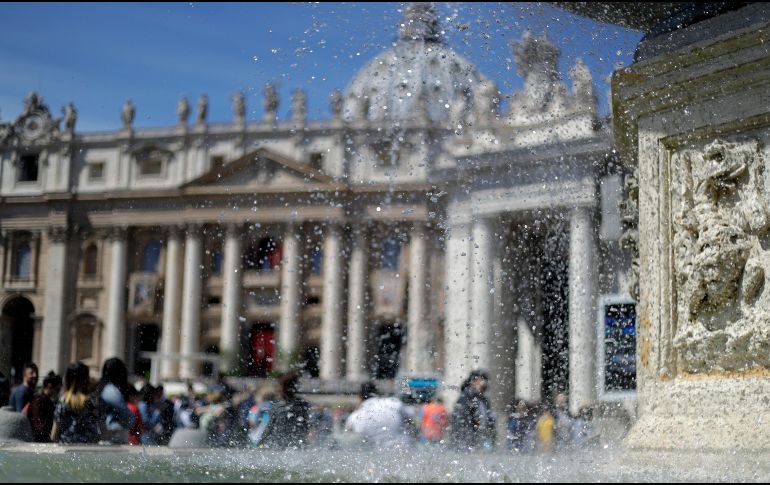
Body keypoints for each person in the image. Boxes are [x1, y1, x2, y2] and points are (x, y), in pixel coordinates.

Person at [345, 381, 417, 448]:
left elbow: (349, 438)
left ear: (360, 397)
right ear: (376, 392)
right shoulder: (393, 403)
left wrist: (358, 408)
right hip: (405, 448)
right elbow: (412, 416)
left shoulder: (355, 416)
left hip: (378, 454)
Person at [258, 372, 311, 449]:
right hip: (290, 446)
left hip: (281, 446)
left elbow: (268, 428)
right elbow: (305, 426)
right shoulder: (302, 404)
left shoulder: (277, 406)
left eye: (279, 386)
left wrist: (260, 443)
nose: (277, 389)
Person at [51, 362, 100, 444]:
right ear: (86, 379)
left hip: (66, 449)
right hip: (88, 450)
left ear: (67, 380)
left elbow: (54, 435)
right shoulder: (92, 402)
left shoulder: (62, 403)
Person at [448, 370, 497, 451]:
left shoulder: (484, 400)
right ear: (473, 382)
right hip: (466, 443)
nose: (485, 383)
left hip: (480, 441)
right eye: (481, 380)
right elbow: (460, 422)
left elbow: (486, 420)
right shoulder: (466, 398)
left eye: (485, 380)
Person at [95, 357, 135, 444]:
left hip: (108, 433)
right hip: (114, 433)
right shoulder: (111, 391)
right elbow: (126, 414)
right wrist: (132, 419)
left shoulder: (103, 389)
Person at [23, 371, 62, 442]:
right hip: (39, 443)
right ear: (49, 386)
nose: (58, 392)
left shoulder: (46, 400)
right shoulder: (39, 401)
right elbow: (38, 426)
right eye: (57, 389)